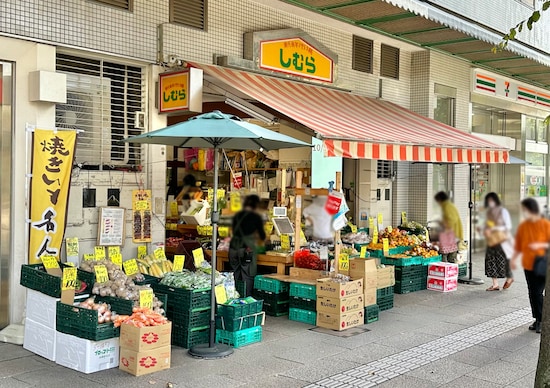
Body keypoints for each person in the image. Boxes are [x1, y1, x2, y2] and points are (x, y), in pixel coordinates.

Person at [511, 198, 550, 334]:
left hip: (541, 263)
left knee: (538, 292)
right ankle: (537, 318)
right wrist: (513, 260)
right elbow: (518, 245)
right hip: (528, 264)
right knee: (532, 293)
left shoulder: (545, 224)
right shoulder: (523, 226)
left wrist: (539, 245)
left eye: (525, 210)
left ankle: (541, 319)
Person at [229, 195, 266, 296]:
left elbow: (233, 230)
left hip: (233, 249)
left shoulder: (237, 215)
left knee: (235, 275)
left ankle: (234, 297)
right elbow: (262, 235)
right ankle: (245, 302)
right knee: (247, 276)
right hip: (246, 250)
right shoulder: (255, 217)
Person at [483, 192, 514, 291]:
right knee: (490, 260)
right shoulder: (489, 212)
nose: (490, 203)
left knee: (502, 259)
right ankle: (495, 284)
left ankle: (509, 277)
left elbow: (508, 226)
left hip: (501, 239)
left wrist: (494, 228)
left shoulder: (503, 211)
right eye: (488, 201)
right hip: (491, 239)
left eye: (491, 200)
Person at [434, 192, 464, 263]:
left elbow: (451, 219)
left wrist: (443, 226)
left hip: (451, 234)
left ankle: (447, 271)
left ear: (440, 199)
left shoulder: (447, 206)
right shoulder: (448, 205)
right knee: (452, 255)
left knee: (445, 255)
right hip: (453, 233)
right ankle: (451, 271)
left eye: (437, 201)